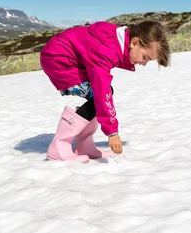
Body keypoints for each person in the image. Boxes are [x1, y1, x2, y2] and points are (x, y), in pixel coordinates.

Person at [40, 20, 170, 162]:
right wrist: (112, 131)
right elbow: (101, 89)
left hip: (64, 57)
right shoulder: (106, 50)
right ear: (134, 42)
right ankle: (59, 145)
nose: (144, 64)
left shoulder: (115, 40)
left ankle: (84, 145)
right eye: (145, 57)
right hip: (59, 61)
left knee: (100, 95)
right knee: (100, 94)